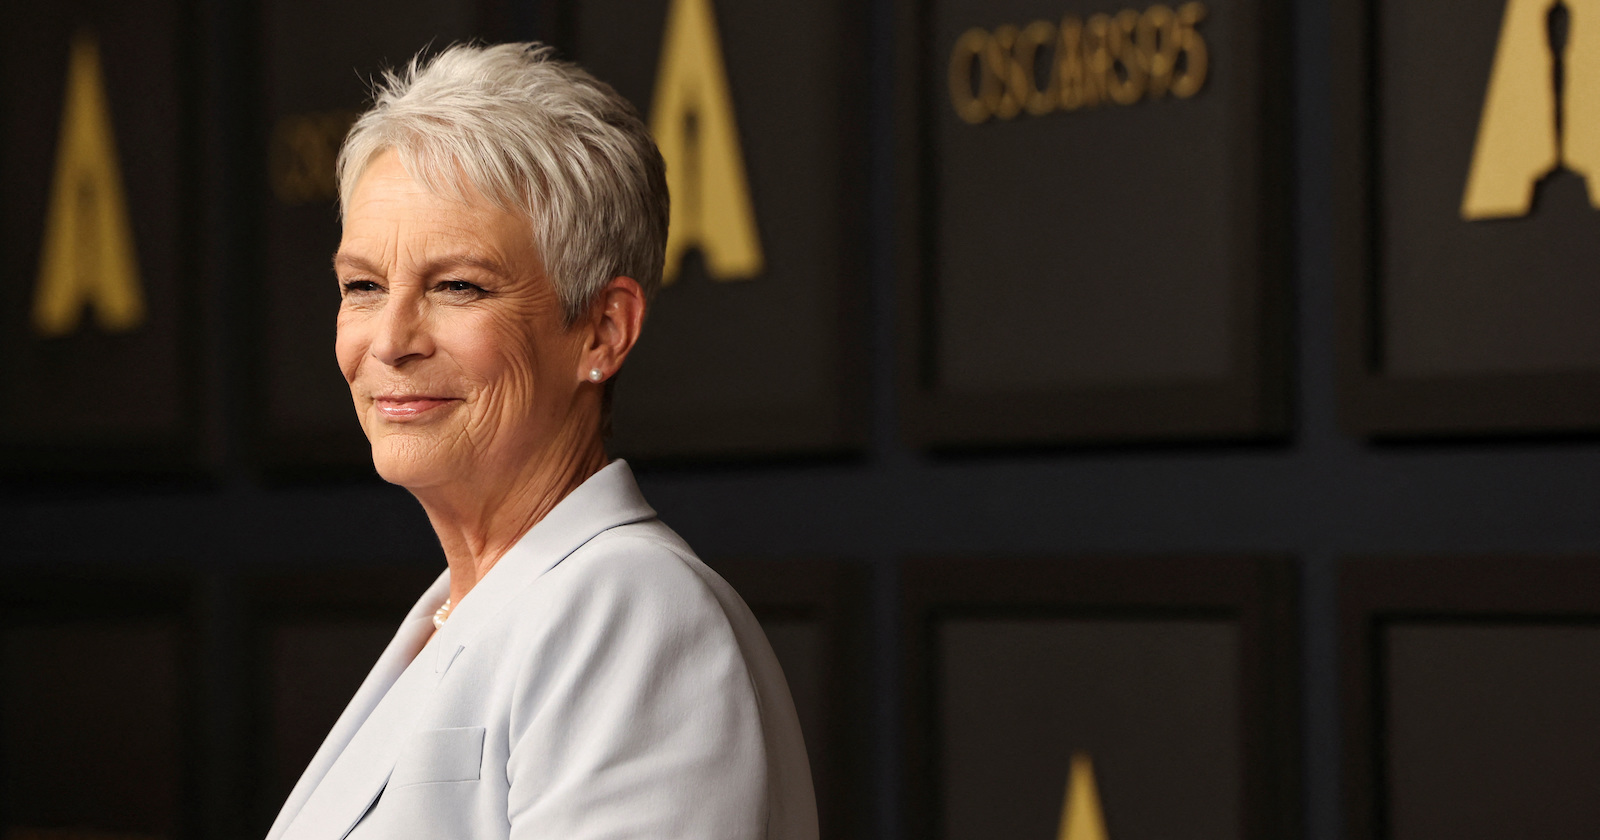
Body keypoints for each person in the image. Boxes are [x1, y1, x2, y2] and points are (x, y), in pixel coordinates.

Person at [265, 43, 816, 840]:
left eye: (457, 286)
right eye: (363, 287)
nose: (390, 341)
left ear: (602, 330)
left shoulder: (630, 611)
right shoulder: (467, 608)